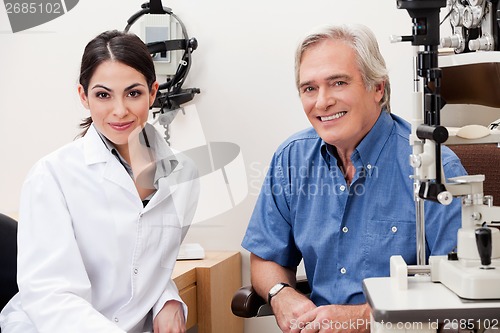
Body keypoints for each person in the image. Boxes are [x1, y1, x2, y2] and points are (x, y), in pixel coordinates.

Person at [241, 24, 467, 333]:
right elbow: (266, 256)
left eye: (338, 83)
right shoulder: (291, 159)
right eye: (309, 88)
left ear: (378, 88)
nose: (322, 102)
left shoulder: (434, 167)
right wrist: (281, 295)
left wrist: (364, 318)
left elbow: (459, 294)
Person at [0, 30, 199, 333]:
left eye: (133, 93)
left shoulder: (184, 175)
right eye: (103, 95)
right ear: (83, 96)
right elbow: (51, 296)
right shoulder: (51, 176)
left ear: (153, 91)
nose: (120, 110)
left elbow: (151, 266)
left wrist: (166, 298)